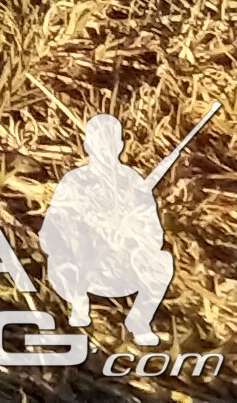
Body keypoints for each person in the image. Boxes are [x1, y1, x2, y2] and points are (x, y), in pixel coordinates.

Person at [40, 115, 176, 344]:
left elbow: (153, 233)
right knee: (63, 255)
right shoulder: (74, 182)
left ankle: (140, 320)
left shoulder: (132, 181)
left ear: (120, 146)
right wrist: (87, 234)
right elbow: (51, 229)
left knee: (162, 262)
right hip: (82, 269)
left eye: (110, 144)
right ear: (87, 146)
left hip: (122, 269)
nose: (104, 151)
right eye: (98, 144)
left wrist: (131, 233)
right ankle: (78, 302)